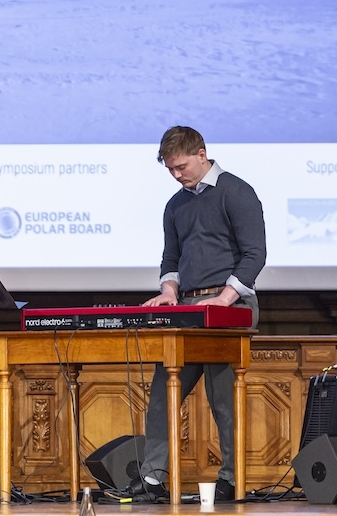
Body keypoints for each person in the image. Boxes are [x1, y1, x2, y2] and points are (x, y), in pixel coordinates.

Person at [129, 126, 266, 503]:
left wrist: (224, 298)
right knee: (163, 393)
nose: (176, 175)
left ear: (202, 154)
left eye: (181, 167)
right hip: (187, 310)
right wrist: (168, 292)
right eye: (170, 170)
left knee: (223, 398)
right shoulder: (175, 205)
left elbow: (255, 254)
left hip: (230, 307)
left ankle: (232, 479)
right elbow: (171, 258)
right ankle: (153, 477)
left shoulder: (236, 192)